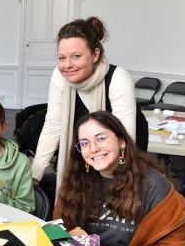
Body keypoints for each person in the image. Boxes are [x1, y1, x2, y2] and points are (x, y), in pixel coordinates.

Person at [54, 111, 185, 246]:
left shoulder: (155, 186)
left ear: (121, 142)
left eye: (101, 138)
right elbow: (60, 228)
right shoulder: (77, 180)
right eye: (84, 143)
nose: (93, 149)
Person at [31, 16, 140, 189]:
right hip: (85, 150)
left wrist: (114, 183)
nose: (67, 65)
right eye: (61, 58)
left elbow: (126, 139)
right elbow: (53, 126)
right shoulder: (59, 77)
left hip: (122, 152)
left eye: (76, 56)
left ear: (95, 54)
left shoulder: (119, 79)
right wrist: (35, 174)